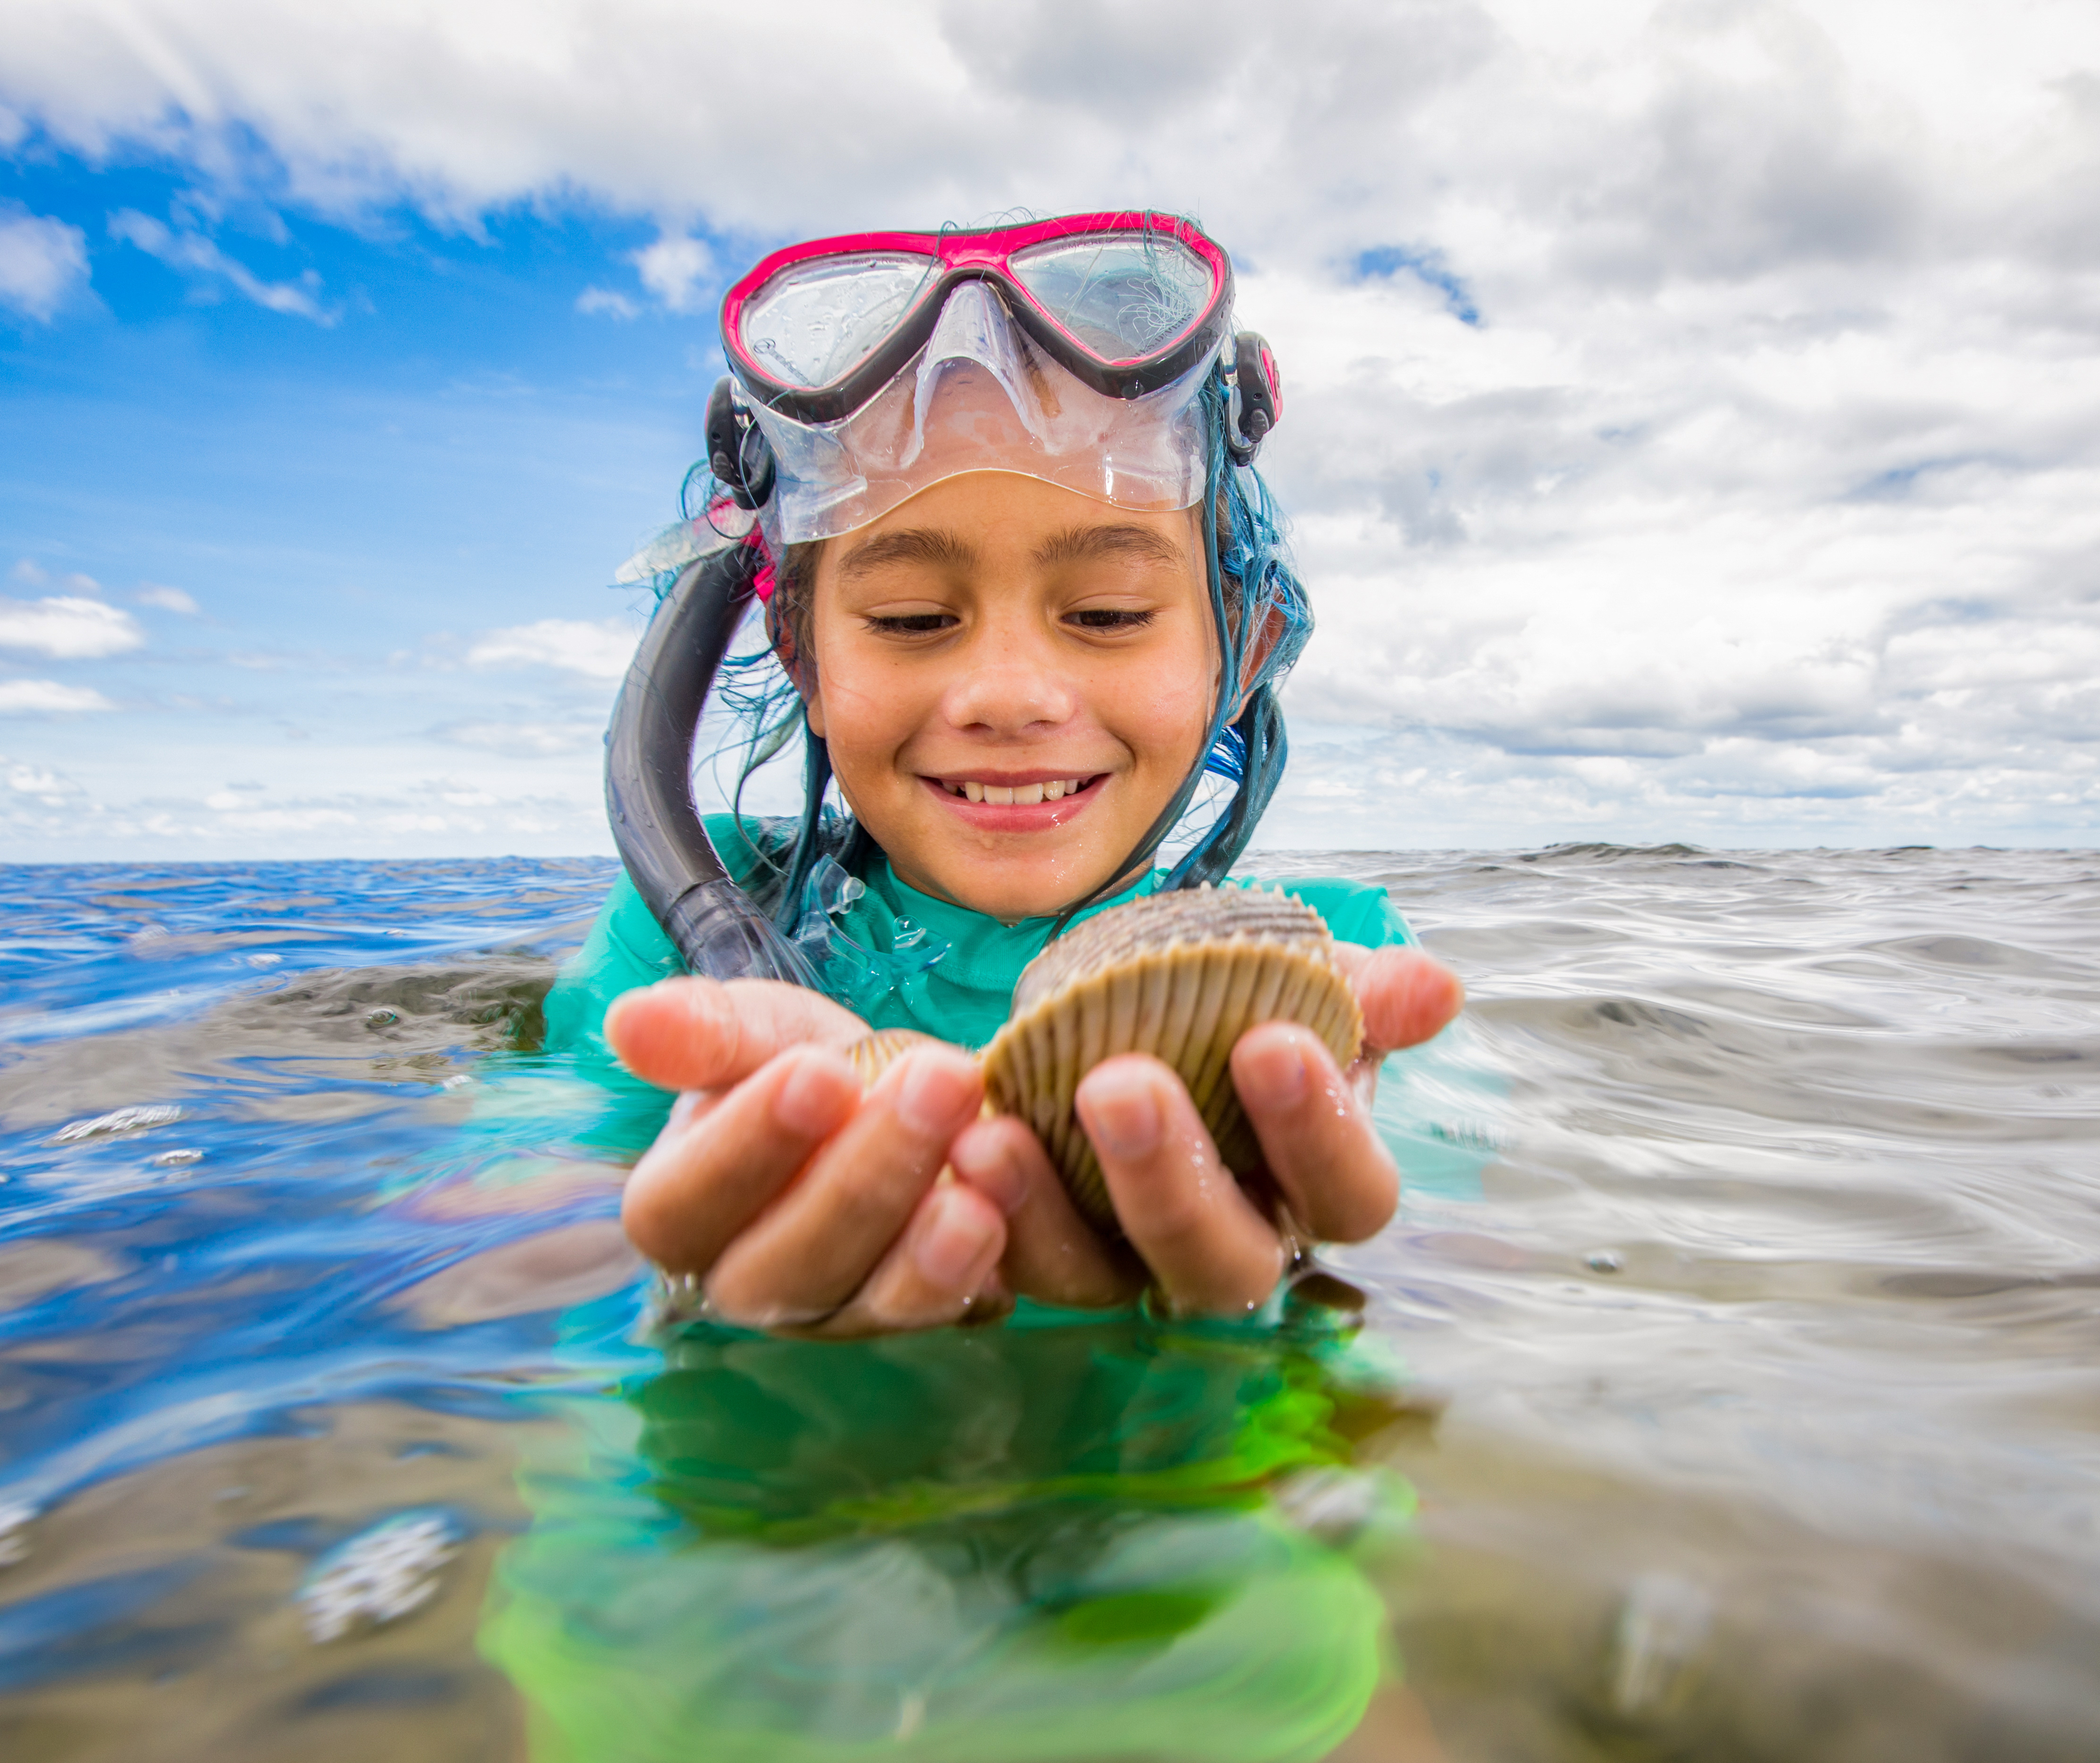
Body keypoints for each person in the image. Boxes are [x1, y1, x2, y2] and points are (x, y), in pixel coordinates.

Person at [542, 211, 1466, 1337]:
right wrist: (689, 1302)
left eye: (1110, 614)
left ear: (1247, 649)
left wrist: (1272, 1298)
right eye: (914, 618)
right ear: (807, 662)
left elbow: (1450, 1268)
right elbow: (512, 1227)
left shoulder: (1348, 964)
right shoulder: (686, 943)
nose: (1010, 693)